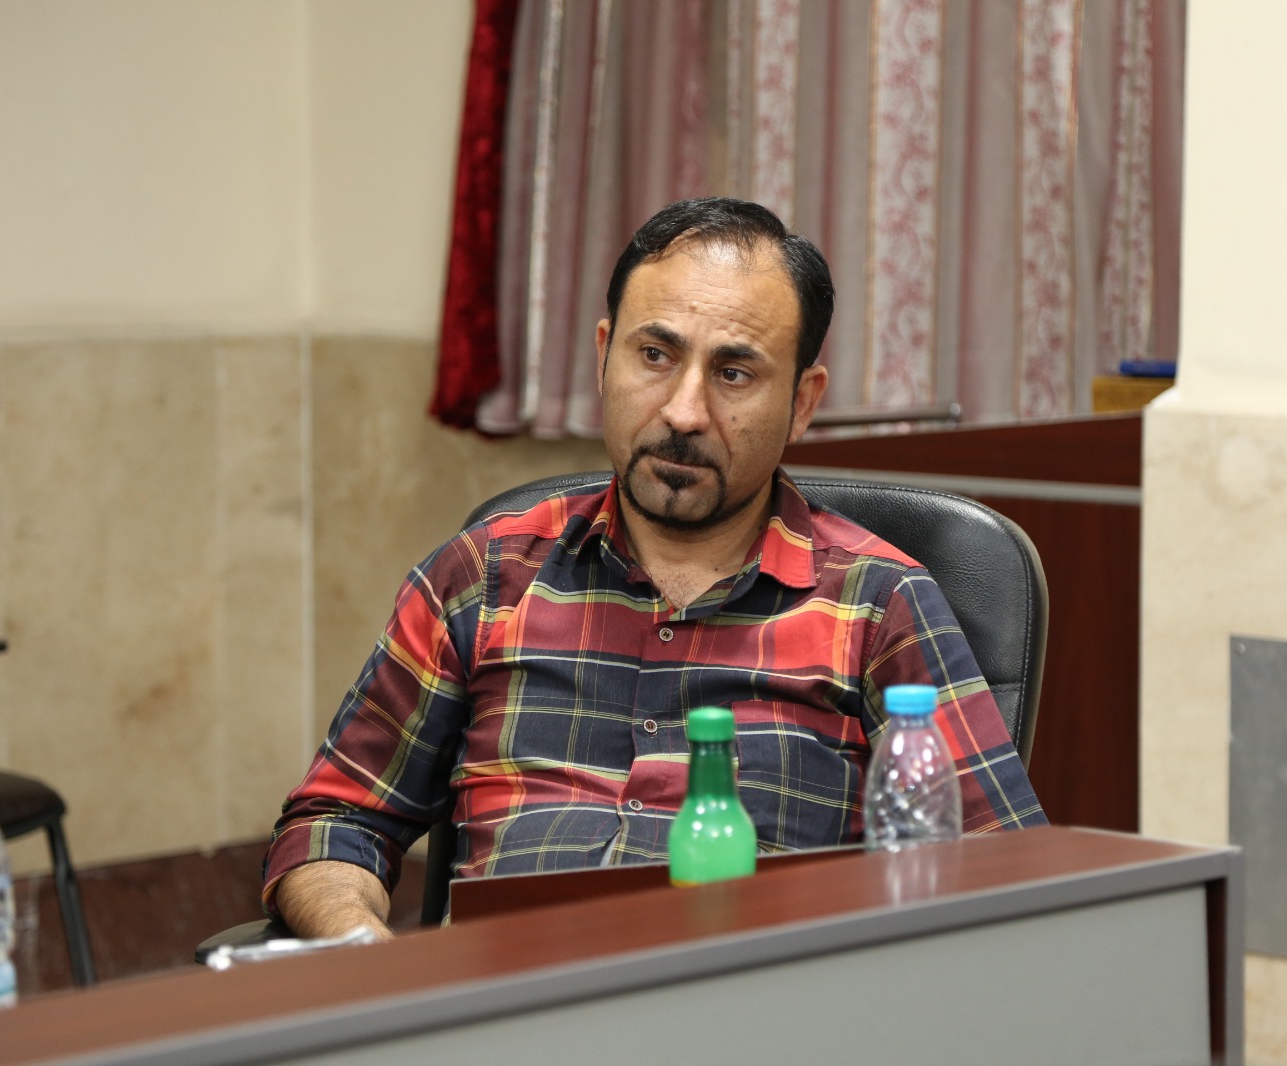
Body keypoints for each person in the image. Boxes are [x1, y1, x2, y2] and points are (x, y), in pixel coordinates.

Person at [264, 197, 1045, 939]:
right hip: (504, 1006)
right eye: (655, 355)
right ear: (604, 355)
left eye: (734, 373)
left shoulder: (879, 605)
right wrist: (366, 952)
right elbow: (337, 821)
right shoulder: (483, 576)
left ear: (803, 403)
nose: (683, 411)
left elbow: (1010, 879)